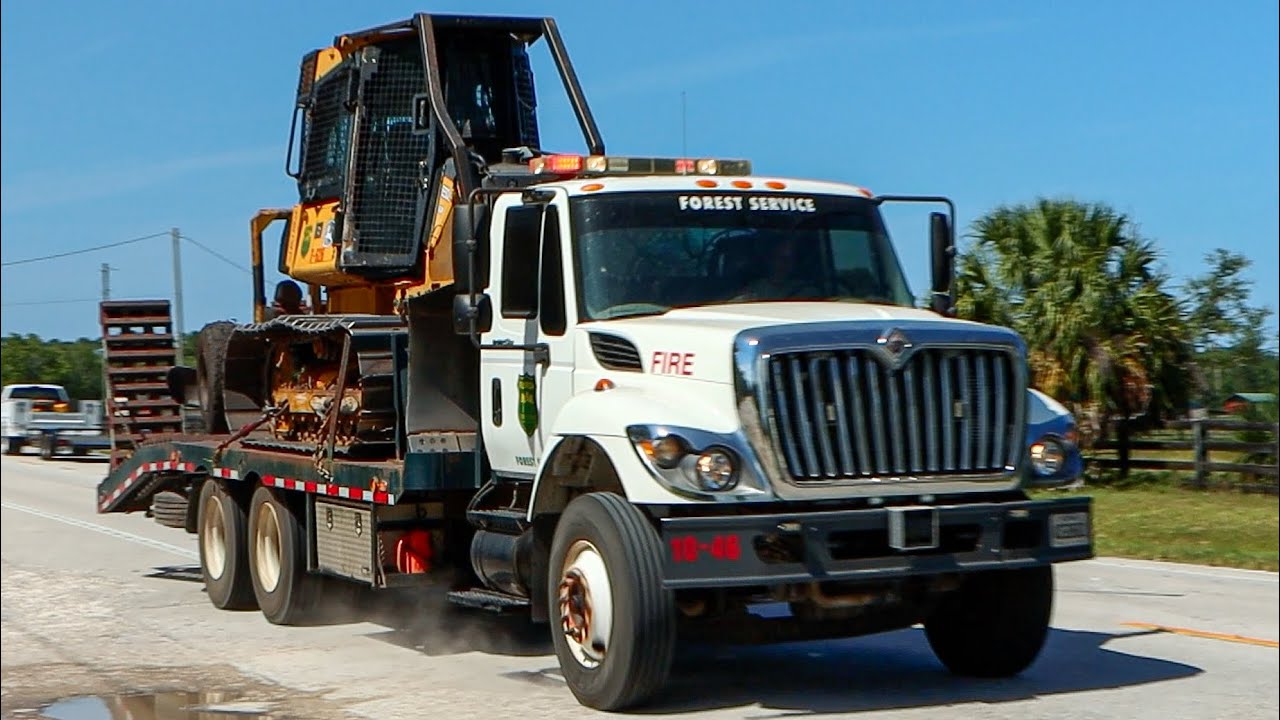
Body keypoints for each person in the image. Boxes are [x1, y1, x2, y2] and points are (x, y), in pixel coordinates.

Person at [733, 235, 822, 301]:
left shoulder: (809, 293)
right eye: (780, 258)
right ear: (770, 259)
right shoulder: (754, 290)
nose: (784, 263)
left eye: (789, 259)